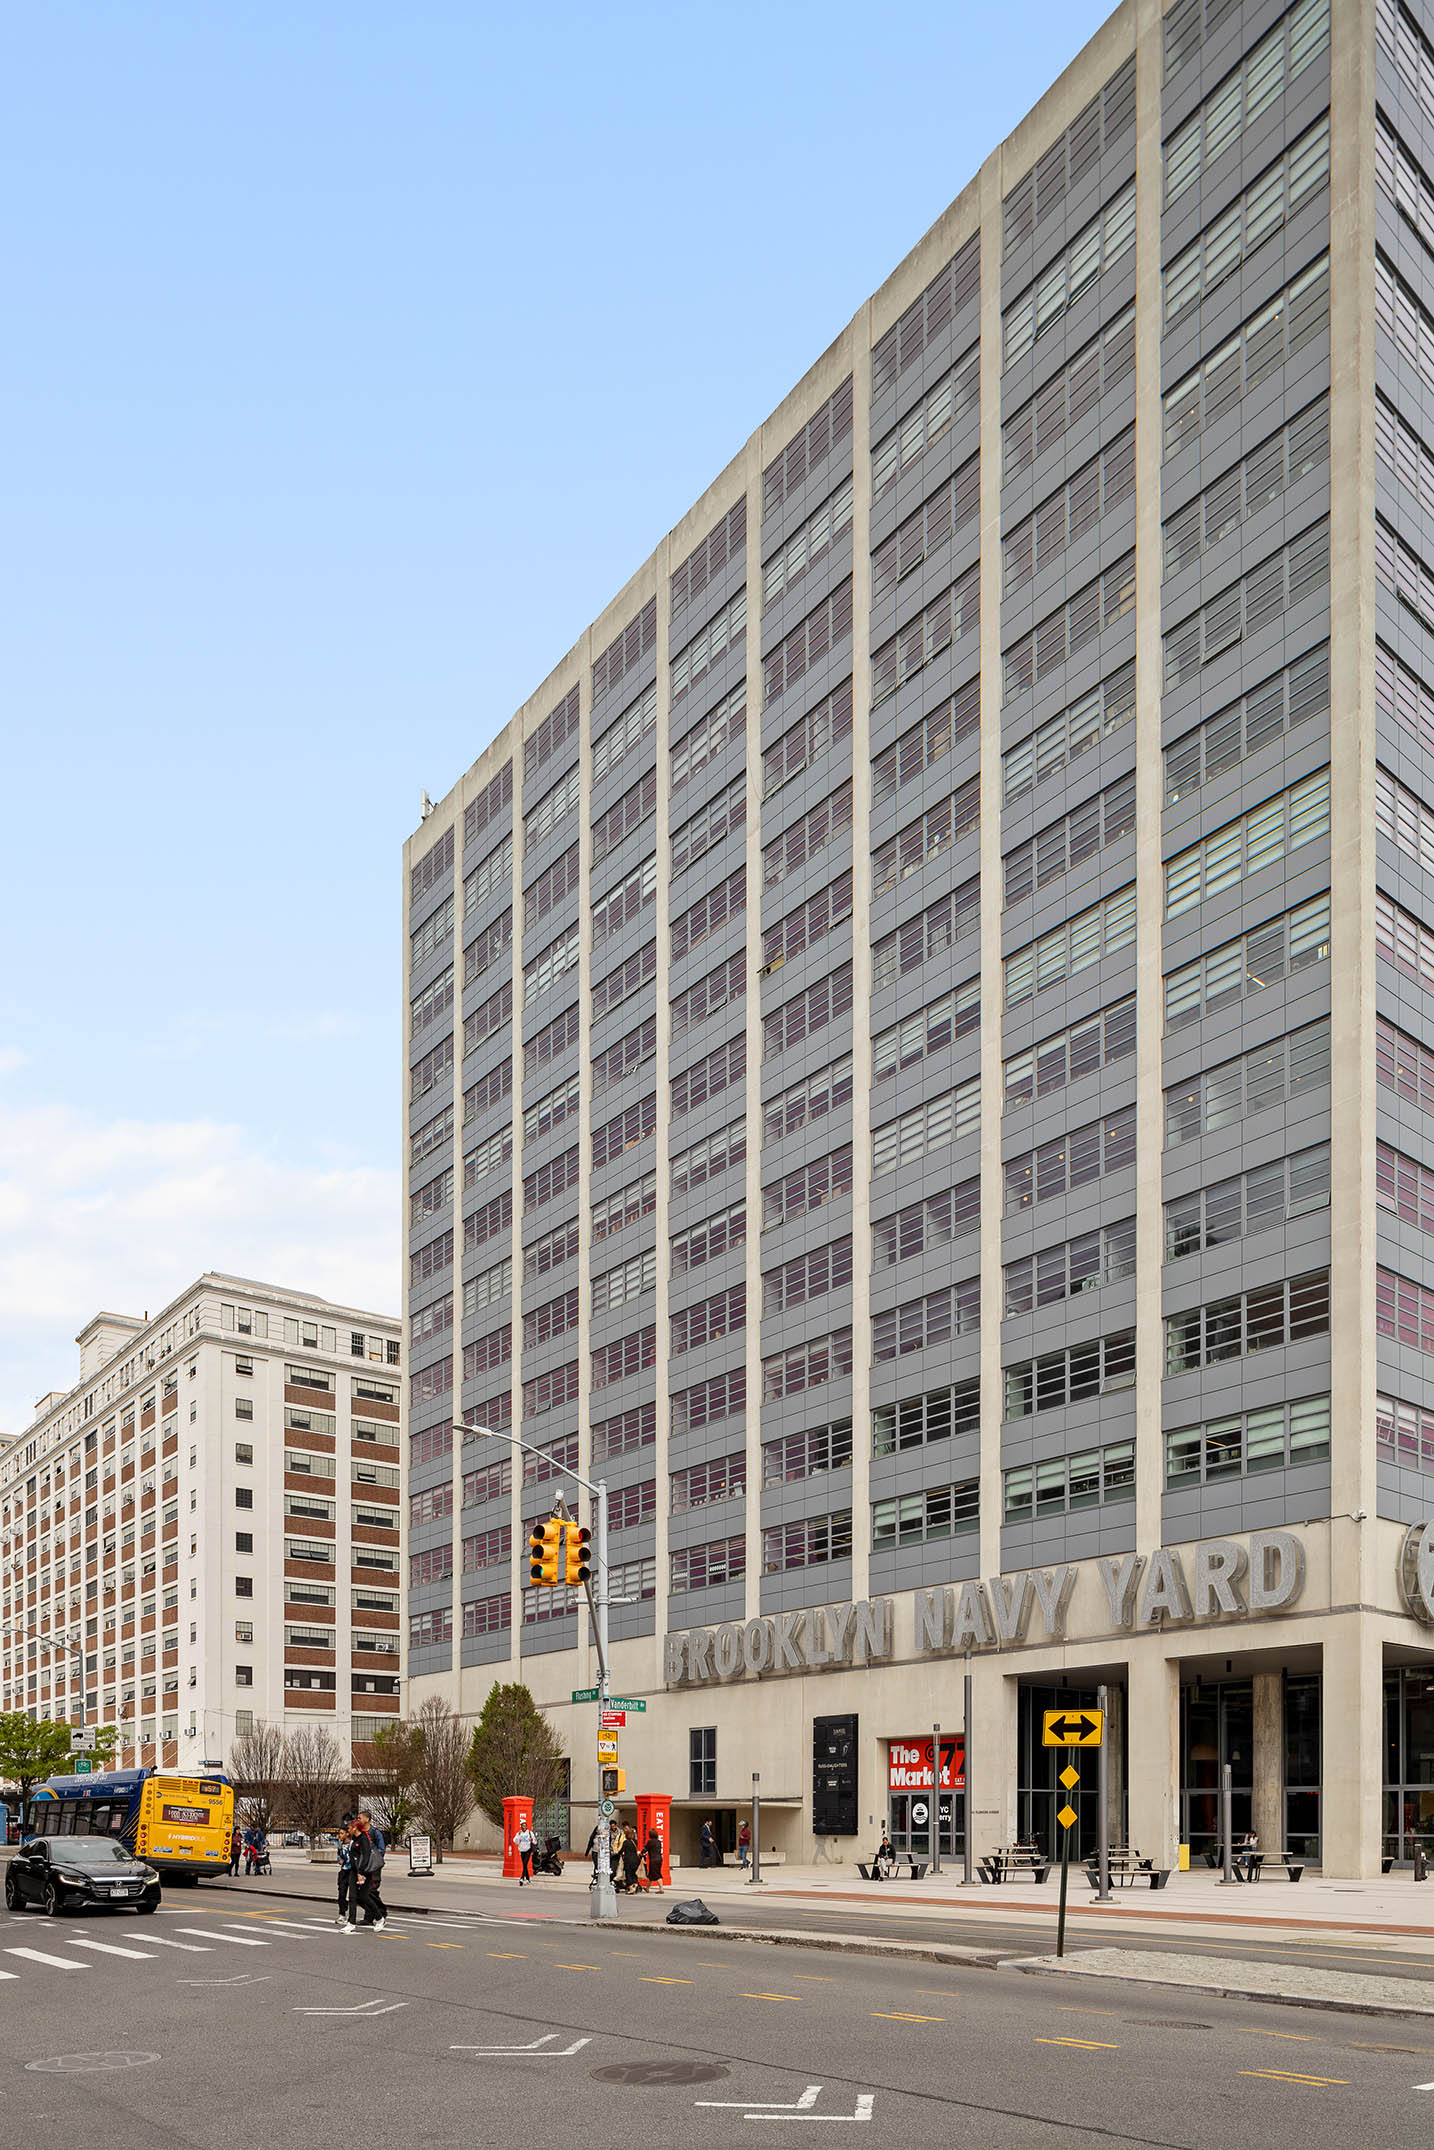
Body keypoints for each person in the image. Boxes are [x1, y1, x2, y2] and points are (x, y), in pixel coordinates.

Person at [345, 1812, 387, 1932]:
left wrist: (361, 1872)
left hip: (364, 1871)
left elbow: (366, 1856)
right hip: (354, 1870)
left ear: (355, 1828)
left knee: (365, 1896)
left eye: (350, 1828)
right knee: (352, 1897)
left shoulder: (365, 1838)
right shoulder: (354, 1838)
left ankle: (379, 1917)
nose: (348, 1830)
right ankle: (351, 1922)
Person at [335, 1820, 355, 1928]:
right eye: (339, 1833)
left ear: (347, 1833)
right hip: (344, 1870)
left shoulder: (352, 1844)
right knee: (341, 1893)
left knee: (353, 1895)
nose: (340, 1835)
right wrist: (340, 1860)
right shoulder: (340, 1845)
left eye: (342, 1833)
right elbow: (339, 1855)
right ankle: (342, 1914)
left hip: (352, 1870)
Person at [513, 1818, 535, 1885]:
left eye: (525, 1826)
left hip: (528, 1850)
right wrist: (518, 1836)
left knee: (525, 1864)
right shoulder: (519, 1833)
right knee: (524, 1865)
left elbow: (535, 1841)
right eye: (523, 1826)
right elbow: (515, 1841)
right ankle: (528, 1879)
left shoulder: (530, 1833)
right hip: (522, 1850)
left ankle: (522, 1878)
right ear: (521, 1827)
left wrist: (532, 1840)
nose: (524, 1827)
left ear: (526, 1826)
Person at [644, 1826, 665, 1893]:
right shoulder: (659, 1842)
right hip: (659, 1859)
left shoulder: (650, 1842)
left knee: (657, 1874)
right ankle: (647, 1888)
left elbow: (645, 1849)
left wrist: (641, 1853)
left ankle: (661, 1889)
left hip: (653, 1860)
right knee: (651, 1874)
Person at [620, 1829, 640, 1894]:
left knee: (628, 1874)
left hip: (628, 1860)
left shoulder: (626, 1842)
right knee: (633, 1873)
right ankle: (635, 1884)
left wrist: (617, 1854)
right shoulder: (635, 1841)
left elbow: (621, 1851)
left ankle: (631, 1888)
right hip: (636, 1860)